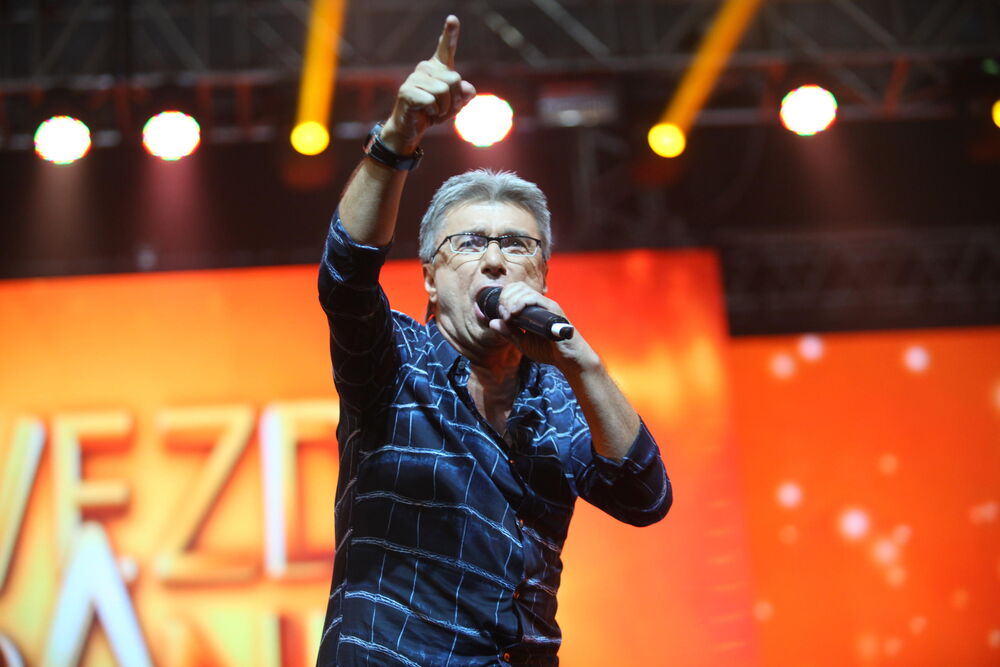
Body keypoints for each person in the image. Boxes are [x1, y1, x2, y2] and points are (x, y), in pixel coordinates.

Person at [316, 15, 671, 666]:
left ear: (542, 274)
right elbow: (345, 273)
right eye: (470, 243)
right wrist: (398, 137)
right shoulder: (392, 364)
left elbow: (645, 498)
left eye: (516, 244)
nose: (495, 260)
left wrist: (579, 359)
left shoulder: (558, 400)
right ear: (430, 277)